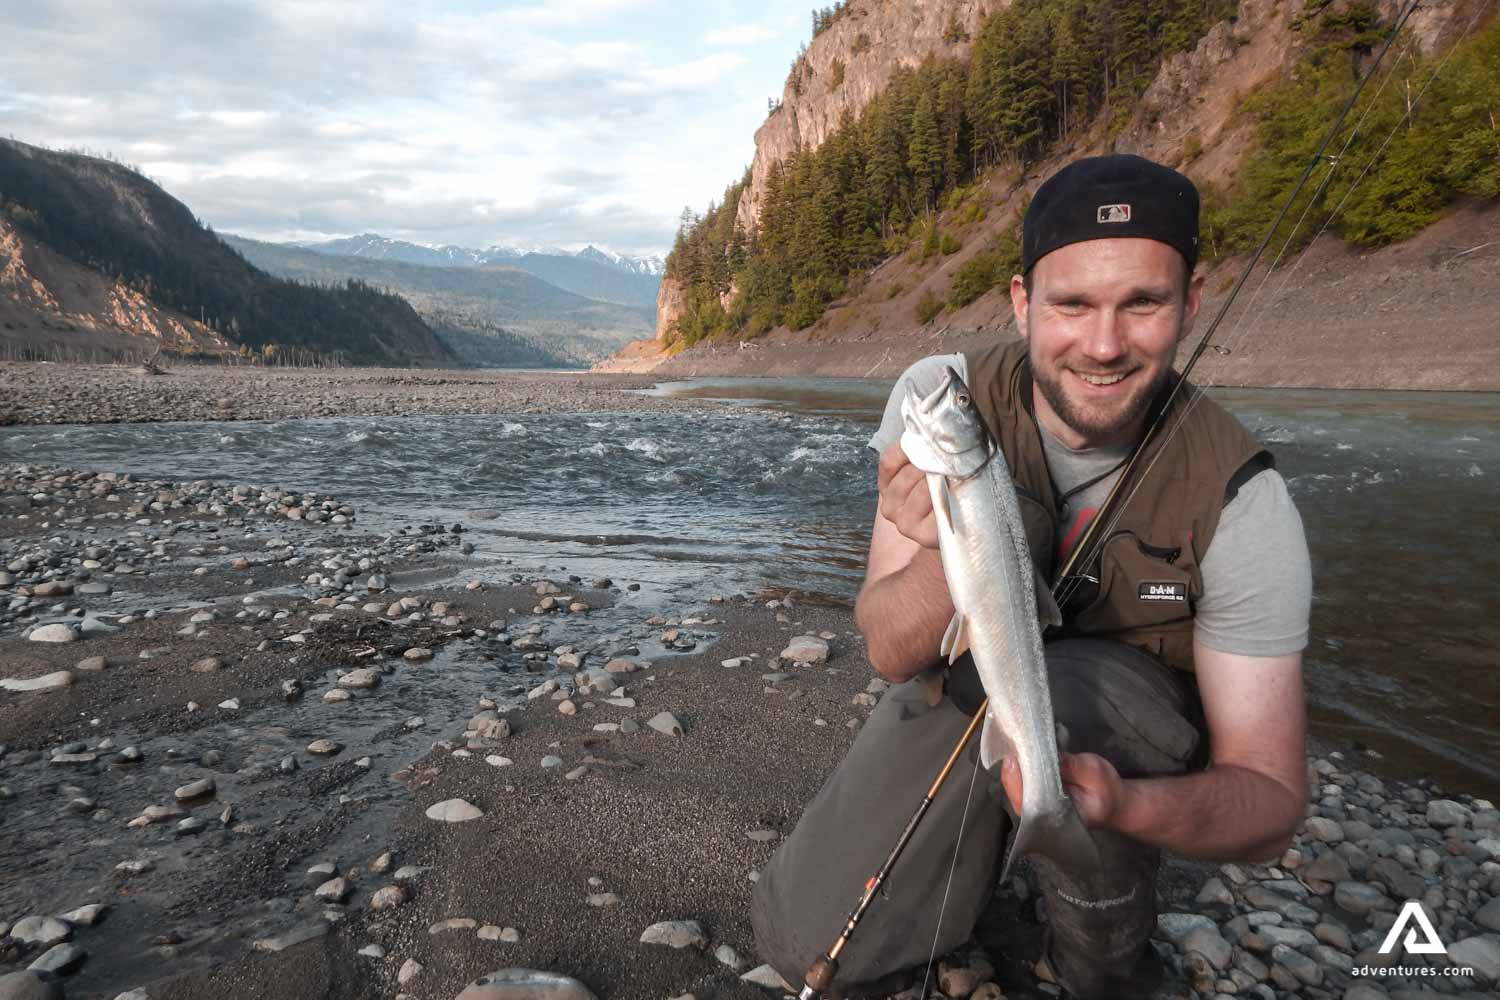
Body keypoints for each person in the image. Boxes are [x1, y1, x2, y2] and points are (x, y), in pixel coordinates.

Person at [751, 154, 1312, 999]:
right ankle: (969, 882)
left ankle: (1098, 949)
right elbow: (891, 649)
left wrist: (1124, 808)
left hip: (1130, 727)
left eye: (1144, 303)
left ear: (1192, 302)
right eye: (1071, 304)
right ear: (1021, 302)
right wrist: (948, 545)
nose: (1104, 343)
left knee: (1089, 709)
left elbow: (1270, 806)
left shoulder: (1244, 500)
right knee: (808, 943)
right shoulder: (938, 394)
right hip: (977, 686)